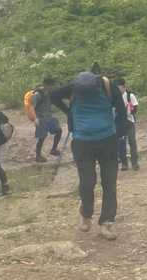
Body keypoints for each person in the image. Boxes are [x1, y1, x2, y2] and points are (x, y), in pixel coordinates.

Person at [52, 69, 125, 239]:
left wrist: (117, 133)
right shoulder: (74, 87)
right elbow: (53, 96)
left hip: (107, 141)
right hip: (82, 142)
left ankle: (107, 223)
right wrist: (68, 111)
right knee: (87, 182)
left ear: (96, 83)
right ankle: (86, 214)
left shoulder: (107, 86)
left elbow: (121, 111)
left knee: (109, 183)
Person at [29, 78, 63, 162]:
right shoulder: (37, 94)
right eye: (51, 86)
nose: (52, 87)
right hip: (41, 118)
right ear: (46, 85)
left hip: (49, 117)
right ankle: (38, 156)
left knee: (59, 131)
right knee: (42, 137)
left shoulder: (48, 93)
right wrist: (35, 118)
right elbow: (31, 107)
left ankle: (53, 149)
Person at [113, 76, 139, 172]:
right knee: (121, 143)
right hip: (119, 122)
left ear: (124, 87)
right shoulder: (114, 97)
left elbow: (135, 108)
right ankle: (124, 163)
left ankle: (134, 162)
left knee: (132, 141)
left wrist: (129, 111)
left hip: (129, 121)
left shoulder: (130, 95)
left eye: (119, 88)